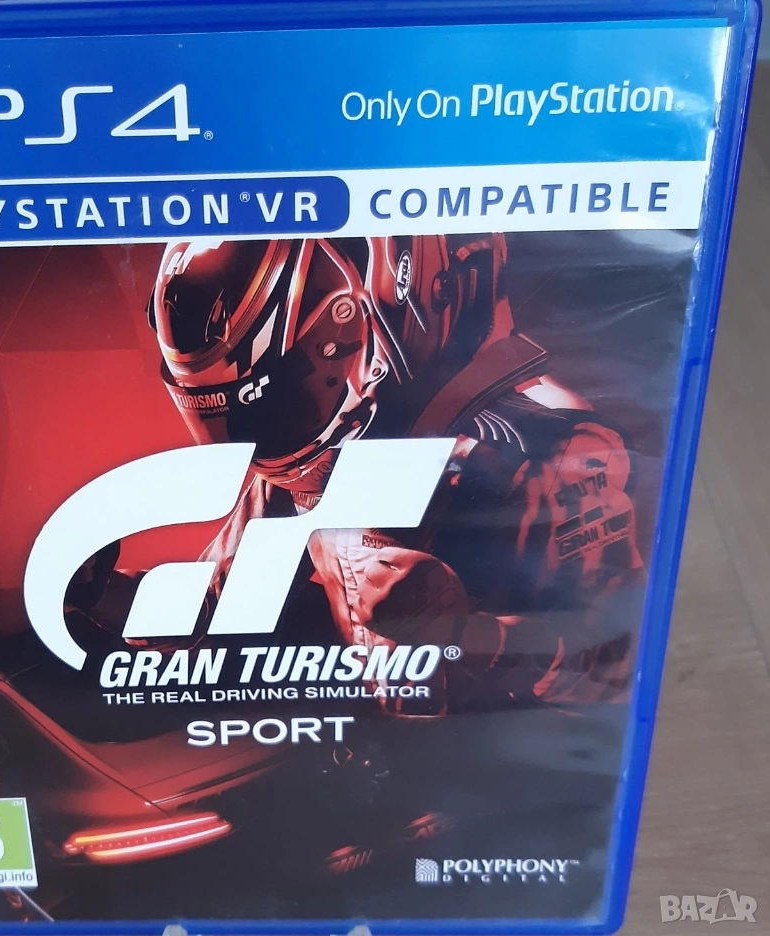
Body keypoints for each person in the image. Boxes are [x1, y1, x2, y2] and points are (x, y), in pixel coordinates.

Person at [68, 235, 642, 714]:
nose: (257, 442)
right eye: (228, 415)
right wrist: (108, 596)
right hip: (369, 780)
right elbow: (218, 605)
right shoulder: (300, 466)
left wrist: (466, 635)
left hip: (498, 787)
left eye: (271, 403)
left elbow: (617, 664)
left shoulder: (552, 449)